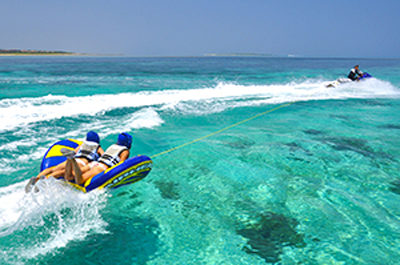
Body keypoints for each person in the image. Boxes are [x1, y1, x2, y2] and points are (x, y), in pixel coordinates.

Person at [65, 132, 132, 185]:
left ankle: (69, 159)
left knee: (70, 176)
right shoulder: (125, 151)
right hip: (101, 167)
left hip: (95, 164)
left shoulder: (113, 146)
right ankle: (72, 160)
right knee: (80, 181)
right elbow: (120, 165)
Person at [36, 131, 104, 181]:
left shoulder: (82, 145)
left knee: (53, 169)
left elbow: (75, 152)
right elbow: (103, 157)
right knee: (64, 172)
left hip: (75, 159)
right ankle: (46, 179)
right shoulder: (98, 147)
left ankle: (37, 179)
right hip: (81, 163)